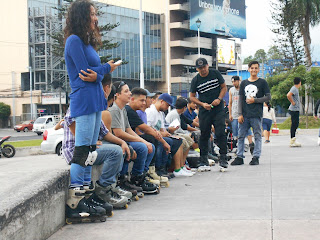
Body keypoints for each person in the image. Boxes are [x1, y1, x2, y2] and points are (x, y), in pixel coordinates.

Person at [58, 107, 132, 219]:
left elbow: (104, 132)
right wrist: (82, 143)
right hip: (75, 150)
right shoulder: (85, 97)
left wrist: (122, 142)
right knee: (112, 152)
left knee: (94, 153)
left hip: (87, 150)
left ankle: (88, 196)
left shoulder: (95, 104)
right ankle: (78, 201)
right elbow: (68, 120)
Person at [108, 81, 159, 194]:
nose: (129, 93)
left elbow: (128, 129)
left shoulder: (123, 109)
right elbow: (118, 133)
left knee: (149, 146)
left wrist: (143, 140)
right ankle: (130, 179)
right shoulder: (114, 109)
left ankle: (141, 176)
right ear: (117, 94)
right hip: (116, 141)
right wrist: (142, 142)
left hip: (123, 140)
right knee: (141, 147)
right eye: (126, 91)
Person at [125, 88, 171, 186]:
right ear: (132, 99)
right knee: (146, 144)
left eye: (145, 100)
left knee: (150, 142)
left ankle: (146, 172)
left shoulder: (133, 111)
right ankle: (137, 176)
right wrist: (163, 142)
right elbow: (146, 129)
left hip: (128, 139)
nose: (144, 103)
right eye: (142, 100)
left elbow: (138, 130)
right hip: (123, 141)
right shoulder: (129, 110)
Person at [189, 57, 229, 170]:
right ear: (197, 69)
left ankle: (223, 158)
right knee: (204, 134)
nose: (203, 70)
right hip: (204, 110)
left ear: (208, 66)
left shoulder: (215, 73)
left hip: (218, 108)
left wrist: (219, 99)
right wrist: (201, 104)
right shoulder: (195, 80)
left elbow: (224, 87)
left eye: (204, 67)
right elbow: (191, 96)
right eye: (200, 68)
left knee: (220, 132)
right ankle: (203, 160)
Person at [231, 61, 271, 166]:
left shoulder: (262, 82)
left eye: (256, 68)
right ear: (248, 69)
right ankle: (239, 157)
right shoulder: (243, 83)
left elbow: (268, 97)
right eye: (252, 68)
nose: (254, 70)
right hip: (244, 115)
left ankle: (256, 157)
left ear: (258, 69)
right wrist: (239, 114)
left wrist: (256, 100)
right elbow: (240, 100)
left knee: (257, 136)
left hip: (256, 114)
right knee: (240, 136)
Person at [146, 93, 191, 177]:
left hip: (159, 135)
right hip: (151, 136)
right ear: (162, 101)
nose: (167, 108)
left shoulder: (161, 113)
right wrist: (163, 134)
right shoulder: (151, 111)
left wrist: (167, 133)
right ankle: (159, 168)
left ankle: (170, 167)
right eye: (167, 105)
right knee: (164, 142)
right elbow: (147, 128)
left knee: (178, 140)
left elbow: (162, 129)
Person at [165, 97, 196, 170]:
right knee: (184, 140)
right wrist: (187, 133)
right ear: (184, 107)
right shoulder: (175, 114)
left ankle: (182, 164)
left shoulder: (178, 113)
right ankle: (179, 167)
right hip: (171, 133)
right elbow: (177, 129)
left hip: (174, 132)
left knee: (188, 140)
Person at [228, 76, 255, 153]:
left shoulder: (244, 89)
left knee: (247, 130)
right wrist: (230, 114)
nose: (234, 83)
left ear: (239, 81)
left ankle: (251, 144)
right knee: (236, 132)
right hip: (234, 114)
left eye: (235, 81)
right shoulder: (231, 90)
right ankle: (239, 147)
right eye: (232, 82)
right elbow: (230, 103)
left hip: (244, 114)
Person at [287, 77, 302, 147]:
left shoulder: (295, 89)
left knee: (296, 124)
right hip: (294, 109)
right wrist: (292, 102)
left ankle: (293, 139)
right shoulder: (294, 88)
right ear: (300, 82)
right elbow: (288, 95)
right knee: (294, 124)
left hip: (296, 109)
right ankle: (292, 140)